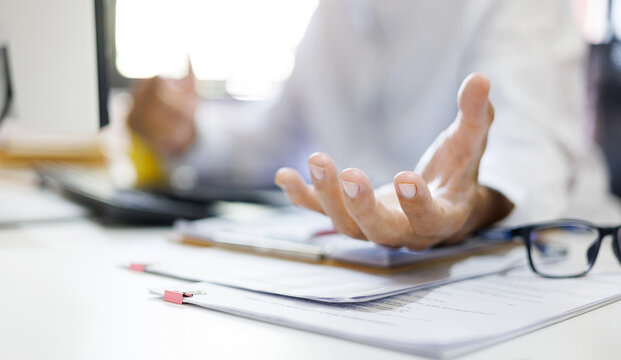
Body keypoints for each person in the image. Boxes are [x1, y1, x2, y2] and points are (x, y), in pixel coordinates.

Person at [128, 0, 621, 250]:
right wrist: (187, 136)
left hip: (557, 257)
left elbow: (530, 151)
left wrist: (465, 203)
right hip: (384, 272)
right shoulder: (333, 15)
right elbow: (276, 138)